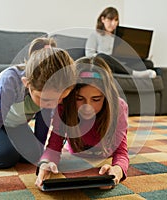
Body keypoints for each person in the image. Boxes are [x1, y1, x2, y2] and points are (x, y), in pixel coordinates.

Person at [0, 37, 77, 199]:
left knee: (31, 155)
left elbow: (43, 124)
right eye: (45, 99)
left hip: (12, 121)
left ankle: (0, 139)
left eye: (60, 99)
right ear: (27, 83)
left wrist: (41, 157)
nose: (52, 104)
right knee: (5, 157)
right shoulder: (10, 81)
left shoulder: (54, 90)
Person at [35, 55, 129, 190]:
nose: (87, 107)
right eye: (79, 98)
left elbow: (121, 152)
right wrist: (44, 164)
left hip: (104, 154)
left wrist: (118, 170)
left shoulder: (118, 107)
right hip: (75, 152)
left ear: (106, 97)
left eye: (96, 99)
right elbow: (54, 146)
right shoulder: (63, 106)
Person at [85, 7, 157, 78]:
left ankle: (124, 70)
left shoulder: (118, 37)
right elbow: (89, 55)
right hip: (106, 62)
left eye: (116, 20)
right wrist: (107, 57)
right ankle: (134, 73)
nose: (113, 23)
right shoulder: (95, 35)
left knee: (149, 63)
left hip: (121, 62)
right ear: (102, 19)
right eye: (110, 19)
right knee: (101, 57)